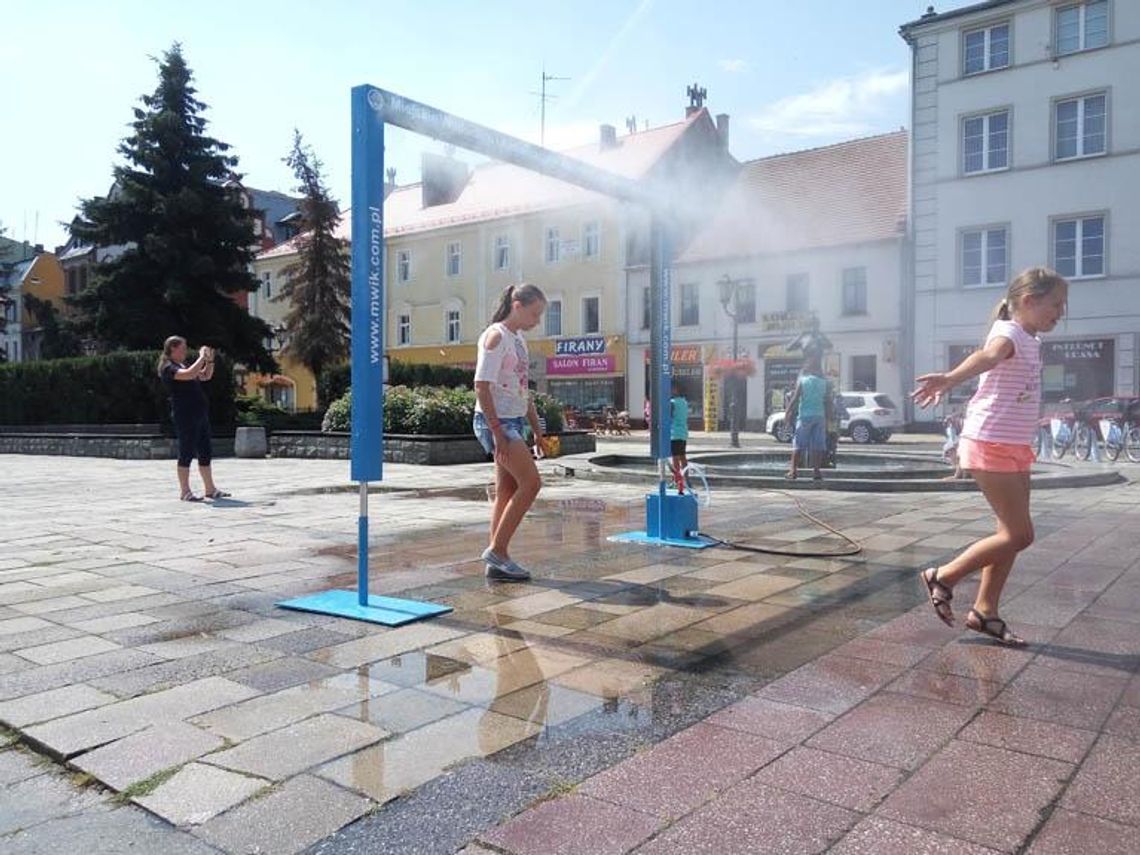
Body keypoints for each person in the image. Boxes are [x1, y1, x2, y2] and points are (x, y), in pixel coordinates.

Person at [912, 267, 1068, 646]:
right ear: (1029, 301)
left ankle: (985, 612)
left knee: (1008, 536)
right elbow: (987, 357)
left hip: (1014, 444)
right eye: (1056, 305)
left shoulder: (1030, 338)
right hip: (991, 441)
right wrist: (949, 379)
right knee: (1021, 534)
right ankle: (943, 576)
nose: (1060, 313)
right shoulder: (1009, 332)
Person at [472, 283, 547, 582]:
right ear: (517, 305)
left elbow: (521, 388)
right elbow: (481, 385)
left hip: (512, 421)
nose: (537, 321)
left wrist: (538, 430)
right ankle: (498, 551)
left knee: (507, 489)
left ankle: (496, 560)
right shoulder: (496, 336)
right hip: (497, 422)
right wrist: (497, 432)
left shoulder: (518, 340)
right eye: (535, 314)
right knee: (531, 483)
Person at [158, 336, 230, 502]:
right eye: (182, 348)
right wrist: (201, 357)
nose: (185, 351)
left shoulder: (182, 365)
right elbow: (190, 374)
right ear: (172, 349)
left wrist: (209, 361)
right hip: (185, 414)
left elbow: (205, 376)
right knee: (187, 451)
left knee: (205, 451)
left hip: (199, 413)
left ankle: (210, 489)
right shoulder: (168, 367)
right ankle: (185, 491)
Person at [784, 354, 832, 481]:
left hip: (805, 416)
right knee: (818, 445)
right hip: (819, 416)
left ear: (809, 368)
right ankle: (816, 472)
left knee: (799, 444)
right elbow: (828, 401)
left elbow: (794, 399)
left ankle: (793, 471)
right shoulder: (824, 383)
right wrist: (829, 417)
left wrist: (787, 413)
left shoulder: (803, 381)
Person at [670, 382, 690, 492]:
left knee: (675, 458)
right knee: (683, 456)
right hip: (683, 433)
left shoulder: (672, 402)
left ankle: (676, 481)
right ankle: (686, 478)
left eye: (673, 389)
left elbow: (668, 416)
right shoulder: (684, 402)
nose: (671, 391)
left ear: (677, 390)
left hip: (674, 433)